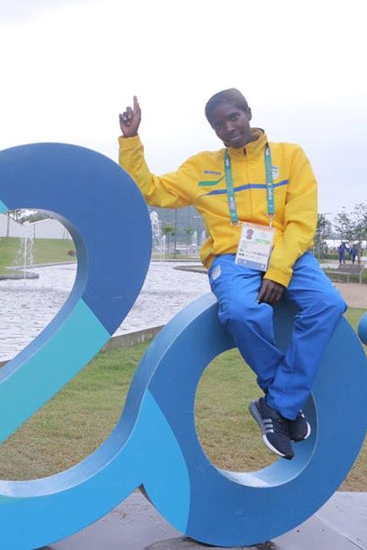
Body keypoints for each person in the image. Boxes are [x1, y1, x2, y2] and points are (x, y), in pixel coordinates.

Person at [117, 89, 346, 460]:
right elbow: (152, 191)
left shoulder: (290, 157)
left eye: (233, 117)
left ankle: (278, 406)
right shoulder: (203, 167)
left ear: (249, 113)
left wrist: (279, 270)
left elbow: (303, 221)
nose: (228, 128)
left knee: (328, 304)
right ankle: (282, 402)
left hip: (289, 252)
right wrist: (131, 141)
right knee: (242, 312)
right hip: (232, 258)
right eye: (219, 124)